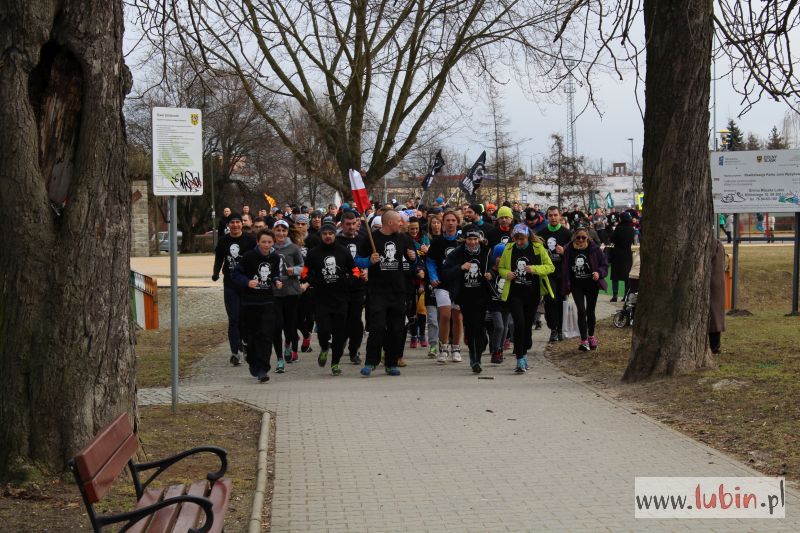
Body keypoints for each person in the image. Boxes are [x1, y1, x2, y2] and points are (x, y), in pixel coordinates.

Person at [355, 210, 417, 376]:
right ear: (390, 222)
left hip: (398, 291)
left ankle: (391, 363)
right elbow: (357, 260)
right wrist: (369, 261)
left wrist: (413, 258)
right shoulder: (371, 238)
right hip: (378, 291)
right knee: (377, 327)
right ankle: (371, 362)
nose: (402, 224)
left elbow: (414, 263)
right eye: (399, 221)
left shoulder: (404, 238)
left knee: (396, 329)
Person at [497, 224, 554, 373]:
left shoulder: (537, 248)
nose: (519, 242)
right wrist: (506, 273)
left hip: (532, 293)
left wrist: (534, 269)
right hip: (515, 293)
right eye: (516, 239)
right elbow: (501, 268)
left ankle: (525, 349)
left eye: (522, 239)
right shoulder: (509, 249)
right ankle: (520, 358)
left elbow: (550, 267)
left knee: (527, 326)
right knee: (519, 323)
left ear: (528, 236)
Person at [303, 222, 358, 375]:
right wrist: (314, 281)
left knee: (339, 333)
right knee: (323, 331)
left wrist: (348, 282)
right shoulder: (313, 253)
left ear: (335, 234)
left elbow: (355, 271)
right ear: (321, 235)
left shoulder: (343, 252)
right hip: (321, 299)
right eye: (325, 234)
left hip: (341, 299)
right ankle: (324, 348)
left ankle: (335, 363)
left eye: (331, 233)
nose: (328, 236)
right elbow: (304, 272)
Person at [232, 229, 283, 382]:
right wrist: (247, 282)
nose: (266, 245)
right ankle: (251, 357)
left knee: (266, 336)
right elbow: (236, 274)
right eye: (263, 242)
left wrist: (276, 281)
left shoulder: (275, 257)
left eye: (269, 242)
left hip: (267, 301)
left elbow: (275, 273)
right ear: (258, 242)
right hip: (250, 302)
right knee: (253, 336)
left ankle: (263, 369)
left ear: (273, 242)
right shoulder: (249, 256)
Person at [441, 225, 493, 373]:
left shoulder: (486, 251)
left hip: (482, 294)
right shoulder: (457, 253)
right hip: (464, 296)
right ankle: (474, 358)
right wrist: (460, 268)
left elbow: (494, 267)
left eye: (475, 239)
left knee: (480, 327)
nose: (472, 242)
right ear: (465, 240)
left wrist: (491, 273)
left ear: (479, 239)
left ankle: (479, 352)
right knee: (470, 326)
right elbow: (445, 273)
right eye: (470, 239)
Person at [212, 212, 256, 366]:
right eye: (232, 222)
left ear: (242, 224)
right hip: (230, 284)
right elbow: (219, 259)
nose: (235, 225)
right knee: (234, 318)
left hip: (247, 284)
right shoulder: (223, 241)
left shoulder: (250, 240)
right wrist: (216, 272)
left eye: (238, 222)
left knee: (246, 318)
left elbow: (256, 258)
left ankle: (246, 343)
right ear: (228, 225)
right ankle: (235, 352)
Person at [562, 227, 608, 351]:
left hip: (591, 285)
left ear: (588, 237)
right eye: (578, 237)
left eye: (584, 237)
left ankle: (591, 336)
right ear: (574, 237)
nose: (581, 240)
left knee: (590, 311)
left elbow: (604, 265)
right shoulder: (569, 249)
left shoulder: (595, 249)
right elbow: (565, 268)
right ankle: (584, 340)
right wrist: (567, 283)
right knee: (581, 311)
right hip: (576, 285)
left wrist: (598, 273)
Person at [426, 211, 464, 363]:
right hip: (442, 283)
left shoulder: (462, 241)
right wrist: (432, 276)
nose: (450, 223)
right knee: (445, 315)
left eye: (453, 220)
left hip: (459, 284)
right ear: (443, 223)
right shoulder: (437, 242)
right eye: (447, 220)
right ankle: (443, 348)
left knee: (457, 316)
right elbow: (430, 261)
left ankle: (456, 348)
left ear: (457, 222)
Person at [271, 219, 304, 373]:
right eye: (278, 230)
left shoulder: (294, 248)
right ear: (273, 232)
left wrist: (294, 270)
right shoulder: (269, 248)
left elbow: (303, 267)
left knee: (290, 325)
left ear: (287, 232)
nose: (281, 233)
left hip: (291, 291)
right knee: (276, 326)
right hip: (274, 293)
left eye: (283, 230)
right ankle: (279, 359)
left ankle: (288, 344)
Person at [537, 206, 572, 342]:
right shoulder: (541, 234)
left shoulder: (566, 233)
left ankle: (560, 329)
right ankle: (553, 329)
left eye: (555, 215)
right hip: (548, 274)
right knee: (551, 301)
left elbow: (574, 252)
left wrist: (565, 251)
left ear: (560, 216)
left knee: (562, 300)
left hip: (562, 273)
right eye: (550, 215)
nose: (553, 218)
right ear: (547, 217)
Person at [336, 211, 366, 364]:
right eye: (348, 224)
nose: (351, 227)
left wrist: (367, 270)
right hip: (340, 287)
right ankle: (340, 342)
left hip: (358, 287)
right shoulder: (336, 241)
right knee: (342, 318)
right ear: (342, 225)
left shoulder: (363, 240)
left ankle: (354, 350)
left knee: (355, 319)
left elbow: (370, 259)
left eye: (353, 223)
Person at [609, 212, 635, 302]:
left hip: (617, 254)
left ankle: (615, 296)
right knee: (627, 277)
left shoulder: (618, 228)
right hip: (627, 255)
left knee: (615, 276)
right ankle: (625, 296)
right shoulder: (632, 229)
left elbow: (612, 239)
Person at [709, 239, 726, 354]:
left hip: (711, 282)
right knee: (716, 315)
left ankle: (714, 346)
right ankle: (715, 345)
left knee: (713, 315)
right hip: (717, 281)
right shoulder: (718, 244)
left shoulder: (710, 244)